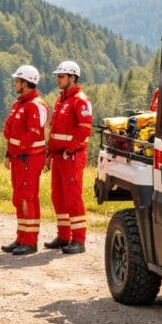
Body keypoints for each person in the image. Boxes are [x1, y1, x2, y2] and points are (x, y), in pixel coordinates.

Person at [45, 60, 92, 255]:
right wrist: (50, 154)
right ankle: (64, 236)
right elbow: (55, 129)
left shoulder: (80, 100)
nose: (58, 79)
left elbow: (84, 129)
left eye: (62, 76)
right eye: (58, 76)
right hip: (58, 156)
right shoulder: (61, 99)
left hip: (72, 156)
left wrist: (69, 150)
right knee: (58, 197)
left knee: (73, 198)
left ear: (73, 77)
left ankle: (78, 240)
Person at [1, 65, 48, 256]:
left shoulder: (35, 105)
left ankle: (30, 241)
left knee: (29, 198)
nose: (15, 84)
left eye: (17, 81)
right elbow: (9, 129)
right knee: (19, 198)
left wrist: (17, 149)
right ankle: (21, 237)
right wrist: (8, 153)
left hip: (29, 158)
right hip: (18, 158)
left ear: (25, 83)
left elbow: (32, 133)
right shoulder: (19, 104)